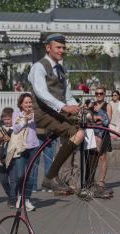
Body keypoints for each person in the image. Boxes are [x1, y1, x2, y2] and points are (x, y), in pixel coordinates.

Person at [28, 33, 85, 193]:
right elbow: (41, 92)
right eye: (58, 47)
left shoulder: (61, 69)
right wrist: (64, 107)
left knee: (90, 131)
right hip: (43, 112)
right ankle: (50, 177)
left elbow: (67, 95)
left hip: (57, 112)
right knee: (78, 134)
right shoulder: (39, 67)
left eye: (64, 48)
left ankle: (89, 180)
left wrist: (78, 109)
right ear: (48, 48)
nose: (62, 51)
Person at [7, 93, 39, 211]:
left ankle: (26, 200)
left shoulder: (36, 115)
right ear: (21, 104)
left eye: (30, 102)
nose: (28, 104)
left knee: (31, 175)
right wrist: (26, 119)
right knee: (21, 174)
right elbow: (15, 129)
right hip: (21, 147)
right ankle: (20, 196)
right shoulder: (17, 114)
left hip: (34, 147)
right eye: (26, 102)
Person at [90, 86, 112, 196]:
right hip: (92, 134)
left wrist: (100, 113)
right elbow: (89, 118)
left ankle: (101, 182)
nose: (99, 95)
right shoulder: (92, 105)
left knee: (102, 158)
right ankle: (91, 180)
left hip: (103, 134)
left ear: (104, 94)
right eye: (97, 93)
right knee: (92, 158)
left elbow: (107, 121)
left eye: (101, 93)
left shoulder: (107, 106)